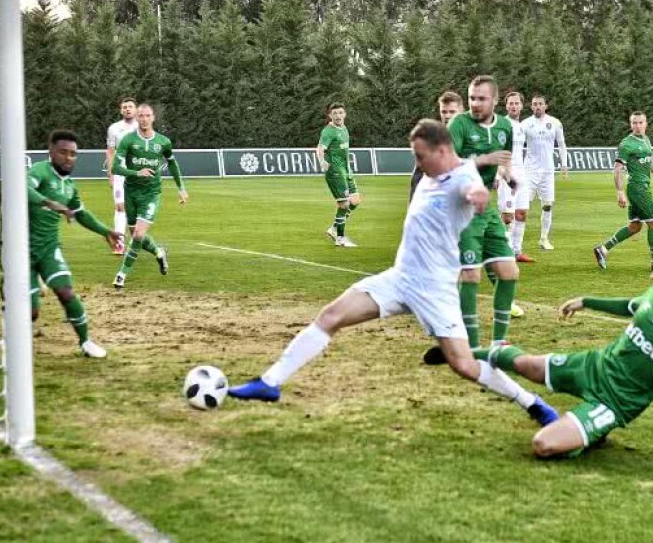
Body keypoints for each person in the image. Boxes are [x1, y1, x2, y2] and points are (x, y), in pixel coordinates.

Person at [229, 119, 559, 426]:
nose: (417, 162)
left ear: (442, 151)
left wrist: (479, 196)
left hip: (434, 290)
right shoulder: (437, 173)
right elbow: (475, 164)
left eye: (421, 155)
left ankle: (532, 403)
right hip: (399, 279)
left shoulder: (463, 178)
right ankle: (269, 382)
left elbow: (472, 188)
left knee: (465, 365)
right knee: (331, 316)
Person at [426, 244, 653, 468]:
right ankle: (466, 353)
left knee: (543, 444)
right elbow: (630, 306)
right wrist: (586, 302)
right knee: (524, 363)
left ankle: (590, 435)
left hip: (613, 402)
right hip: (592, 366)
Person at [27, 130, 122, 358]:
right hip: (21, 250)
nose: (68, 158)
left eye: (73, 154)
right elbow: (23, 188)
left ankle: (85, 342)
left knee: (66, 293)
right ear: (51, 152)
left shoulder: (70, 186)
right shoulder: (39, 171)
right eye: (63, 152)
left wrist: (105, 231)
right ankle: (12, 343)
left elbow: (81, 214)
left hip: (49, 249)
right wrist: (50, 203)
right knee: (31, 312)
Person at [447, 75, 522, 348]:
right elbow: (447, 164)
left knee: (509, 272)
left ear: (495, 100)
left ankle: (498, 343)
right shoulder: (459, 124)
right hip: (462, 208)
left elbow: (504, 157)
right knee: (471, 274)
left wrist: (507, 175)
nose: (475, 104)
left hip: (487, 208)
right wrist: (484, 160)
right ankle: (472, 346)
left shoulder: (505, 126)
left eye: (482, 98)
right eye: (472, 98)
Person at [111, 103, 188, 289]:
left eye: (147, 116)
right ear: (137, 118)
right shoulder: (128, 140)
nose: (144, 119)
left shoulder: (163, 142)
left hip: (151, 194)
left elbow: (173, 164)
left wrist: (182, 189)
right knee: (136, 235)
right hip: (131, 193)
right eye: (141, 116)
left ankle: (121, 275)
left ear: (153, 117)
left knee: (137, 234)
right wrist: (137, 173)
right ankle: (159, 252)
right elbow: (115, 168)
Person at [593, 111, 653, 271]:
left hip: (642, 187)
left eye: (640, 122)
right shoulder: (626, 144)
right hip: (637, 189)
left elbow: (650, 162)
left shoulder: (646, 140)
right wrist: (619, 191)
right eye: (634, 123)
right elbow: (617, 170)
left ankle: (603, 249)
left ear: (646, 124)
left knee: (635, 226)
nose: (637, 126)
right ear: (630, 125)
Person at [519, 93, 569, 251]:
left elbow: (561, 145)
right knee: (522, 206)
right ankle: (514, 239)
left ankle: (543, 239)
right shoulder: (525, 124)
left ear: (545, 106)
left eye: (540, 103)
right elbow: (518, 146)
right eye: (534, 104)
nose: (537, 106)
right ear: (531, 106)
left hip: (548, 172)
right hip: (529, 172)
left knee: (547, 206)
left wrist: (564, 164)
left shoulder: (555, 123)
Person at [497, 90, 533, 263]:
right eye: (510, 103)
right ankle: (503, 250)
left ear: (521, 105)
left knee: (521, 214)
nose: (513, 106)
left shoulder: (522, 127)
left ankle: (517, 251)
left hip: (522, 172)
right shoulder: (501, 124)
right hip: (506, 173)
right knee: (507, 217)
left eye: (516, 103)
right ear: (506, 106)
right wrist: (499, 174)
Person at [318, 103, 361, 247]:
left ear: (345, 114)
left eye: (340, 112)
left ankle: (334, 228)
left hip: (346, 170)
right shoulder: (328, 131)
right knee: (344, 204)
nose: (338, 115)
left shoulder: (344, 129)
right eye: (335, 113)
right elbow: (320, 148)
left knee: (355, 201)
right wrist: (322, 161)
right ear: (330, 115)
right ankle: (340, 238)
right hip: (335, 171)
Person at [409, 91, 464, 200]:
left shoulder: (472, 136)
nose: (447, 116)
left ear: (461, 110)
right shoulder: (431, 138)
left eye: (452, 112)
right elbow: (417, 177)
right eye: (444, 112)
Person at [105, 96, 139, 255]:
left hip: (138, 173)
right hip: (120, 173)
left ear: (135, 109)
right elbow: (110, 151)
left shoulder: (142, 126)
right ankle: (119, 243)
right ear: (121, 110)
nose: (127, 109)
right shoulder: (114, 128)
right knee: (120, 206)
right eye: (124, 107)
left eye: (130, 106)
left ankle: (136, 241)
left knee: (136, 208)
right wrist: (110, 174)